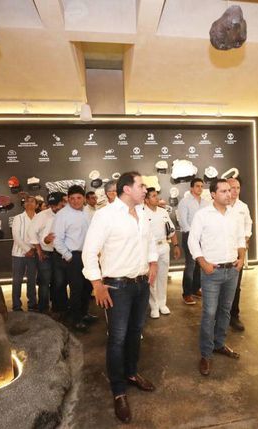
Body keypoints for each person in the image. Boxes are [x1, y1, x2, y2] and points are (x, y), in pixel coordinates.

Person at [82, 171, 158, 424]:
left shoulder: (142, 213)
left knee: (136, 332)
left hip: (141, 284)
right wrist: (97, 284)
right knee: (117, 338)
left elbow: (149, 242)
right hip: (117, 287)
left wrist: (153, 263)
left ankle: (132, 373)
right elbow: (89, 252)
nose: (145, 190)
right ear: (127, 189)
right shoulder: (105, 215)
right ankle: (118, 390)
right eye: (141, 186)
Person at [188, 179, 246, 377]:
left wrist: (241, 259)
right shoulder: (202, 215)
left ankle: (219, 344)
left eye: (230, 190)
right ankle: (206, 354)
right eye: (223, 191)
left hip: (232, 270)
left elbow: (240, 238)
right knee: (209, 313)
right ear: (213, 194)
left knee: (225, 310)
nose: (229, 194)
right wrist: (203, 263)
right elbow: (193, 241)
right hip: (212, 272)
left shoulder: (235, 215)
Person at [53, 185, 96, 331]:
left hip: (88, 255)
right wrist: (69, 256)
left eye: (78, 198)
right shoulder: (62, 215)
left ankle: (84, 313)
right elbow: (57, 239)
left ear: (84, 198)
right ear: (68, 199)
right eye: (72, 198)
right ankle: (76, 319)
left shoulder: (87, 212)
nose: (75, 201)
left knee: (87, 287)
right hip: (74, 256)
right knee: (76, 289)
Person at [143, 187, 181, 319]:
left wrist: (176, 245)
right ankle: (154, 306)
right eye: (153, 196)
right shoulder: (142, 213)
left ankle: (162, 303)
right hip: (150, 249)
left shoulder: (163, 211)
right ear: (146, 200)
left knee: (163, 277)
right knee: (152, 278)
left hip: (164, 246)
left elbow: (171, 230)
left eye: (156, 195)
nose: (157, 198)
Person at [27, 192, 66, 314]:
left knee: (59, 282)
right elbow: (31, 233)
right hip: (46, 253)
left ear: (63, 202)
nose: (55, 208)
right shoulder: (42, 216)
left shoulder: (66, 214)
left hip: (60, 253)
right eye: (52, 205)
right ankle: (43, 309)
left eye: (57, 205)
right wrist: (39, 250)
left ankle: (57, 308)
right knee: (44, 282)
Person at [177, 178, 210, 305]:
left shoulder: (206, 203)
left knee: (200, 264)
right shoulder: (184, 202)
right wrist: (193, 235)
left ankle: (196, 289)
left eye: (202, 186)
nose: (200, 188)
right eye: (197, 186)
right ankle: (187, 294)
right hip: (190, 236)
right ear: (191, 188)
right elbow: (183, 221)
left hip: (203, 237)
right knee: (190, 265)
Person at [227, 177, 253, 331]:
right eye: (232, 188)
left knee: (236, 285)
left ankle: (234, 316)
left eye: (238, 188)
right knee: (221, 286)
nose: (235, 191)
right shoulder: (219, 206)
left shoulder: (243, 206)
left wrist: (246, 239)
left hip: (238, 251)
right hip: (222, 251)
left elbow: (248, 224)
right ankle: (219, 316)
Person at [11, 196, 38, 311]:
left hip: (34, 254)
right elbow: (16, 236)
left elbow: (40, 235)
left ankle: (32, 304)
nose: (29, 203)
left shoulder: (39, 218)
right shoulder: (18, 218)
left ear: (37, 205)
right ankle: (16, 305)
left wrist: (33, 250)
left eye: (32, 201)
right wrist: (28, 250)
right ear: (24, 204)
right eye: (27, 201)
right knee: (17, 280)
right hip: (18, 254)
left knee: (32, 280)